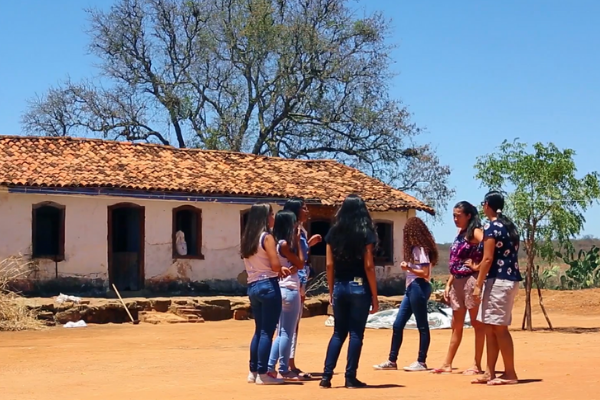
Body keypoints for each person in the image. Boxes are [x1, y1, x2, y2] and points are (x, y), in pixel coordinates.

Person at [319, 194, 379, 389]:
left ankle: (326, 377)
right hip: (359, 285)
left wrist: (331, 291)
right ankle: (350, 377)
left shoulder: (333, 233)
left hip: (340, 285)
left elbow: (329, 264)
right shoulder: (365, 233)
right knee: (356, 334)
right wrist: (375, 296)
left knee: (338, 333)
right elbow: (369, 266)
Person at [470, 191, 522, 386]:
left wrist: (477, 285)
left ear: (487, 205)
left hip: (499, 281)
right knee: (491, 327)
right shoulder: (508, 226)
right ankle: (489, 372)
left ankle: (510, 373)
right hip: (507, 280)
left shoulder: (491, 228)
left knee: (499, 328)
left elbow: (488, 258)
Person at [374, 216, 438, 372]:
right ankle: (392, 360)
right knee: (397, 324)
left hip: (418, 286)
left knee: (422, 325)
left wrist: (408, 268)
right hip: (412, 288)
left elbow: (424, 272)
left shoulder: (420, 249)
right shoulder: (417, 249)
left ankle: (421, 361)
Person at [432, 201, 485, 375]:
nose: (455, 219)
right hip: (457, 282)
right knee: (457, 325)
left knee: (477, 324)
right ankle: (447, 363)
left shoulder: (475, 232)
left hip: (471, 281)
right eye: (453, 215)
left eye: (458, 216)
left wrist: (477, 267)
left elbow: (490, 248)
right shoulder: (460, 233)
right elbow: (456, 261)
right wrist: (448, 284)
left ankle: (477, 365)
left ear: (468, 216)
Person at [241, 203, 291, 385]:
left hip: (253, 285)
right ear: (265, 217)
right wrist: (281, 268)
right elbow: (275, 264)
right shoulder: (267, 238)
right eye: (271, 214)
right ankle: (263, 373)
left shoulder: (248, 239)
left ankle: (253, 370)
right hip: (268, 285)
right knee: (267, 332)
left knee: (258, 330)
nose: (273, 217)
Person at [283, 198, 322, 379]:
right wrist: (299, 286)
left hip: (300, 279)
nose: (307, 211)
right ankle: (287, 364)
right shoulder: (293, 231)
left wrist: (310, 244)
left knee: (292, 323)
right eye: (304, 208)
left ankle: (289, 361)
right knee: (290, 324)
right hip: (294, 280)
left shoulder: (301, 231)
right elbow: (294, 260)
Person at [267, 210, 306, 381]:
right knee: (286, 332)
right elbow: (301, 262)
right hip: (289, 289)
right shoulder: (284, 244)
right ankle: (283, 368)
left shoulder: (275, 243)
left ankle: (270, 366)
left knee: (280, 331)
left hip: (279, 288)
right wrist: (298, 243)